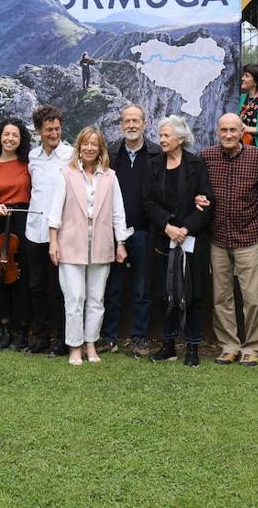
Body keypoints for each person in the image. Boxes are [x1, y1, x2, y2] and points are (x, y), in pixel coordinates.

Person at [48, 126, 131, 365]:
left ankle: (91, 344)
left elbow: (118, 214)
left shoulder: (110, 176)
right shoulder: (67, 173)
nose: (89, 148)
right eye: (85, 143)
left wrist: (121, 243)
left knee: (96, 299)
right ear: (79, 147)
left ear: (100, 148)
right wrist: (53, 242)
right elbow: (55, 211)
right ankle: (74, 346)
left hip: (102, 245)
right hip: (70, 244)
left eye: (94, 144)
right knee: (74, 298)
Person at [144, 115, 213, 366]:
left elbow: (206, 201)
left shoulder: (197, 164)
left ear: (180, 139)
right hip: (163, 240)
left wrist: (185, 228)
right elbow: (148, 201)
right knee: (166, 294)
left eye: (166, 136)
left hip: (192, 239)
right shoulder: (153, 165)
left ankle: (192, 348)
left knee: (192, 294)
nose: (161, 140)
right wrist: (168, 226)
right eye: (160, 135)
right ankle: (169, 345)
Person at [201, 113, 258, 366]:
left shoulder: (257, 157)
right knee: (221, 296)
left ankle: (252, 346)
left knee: (252, 297)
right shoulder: (207, 157)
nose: (228, 135)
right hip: (217, 236)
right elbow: (200, 189)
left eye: (233, 130)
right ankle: (229, 345)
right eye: (224, 130)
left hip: (248, 236)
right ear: (218, 132)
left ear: (242, 132)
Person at [98, 104, 161, 358]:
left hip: (145, 232)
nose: (132, 125)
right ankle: (109, 337)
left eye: (136, 121)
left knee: (142, 289)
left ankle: (139, 338)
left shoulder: (157, 153)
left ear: (145, 124)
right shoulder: (111, 154)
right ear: (121, 125)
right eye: (127, 121)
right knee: (111, 287)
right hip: (113, 233)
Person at [25, 105, 73, 355]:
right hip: (34, 230)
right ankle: (41, 337)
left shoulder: (70, 155)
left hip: (60, 233)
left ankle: (62, 339)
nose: (54, 134)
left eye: (57, 129)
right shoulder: (33, 157)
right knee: (37, 287)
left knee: (59, 289)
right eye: (48, 130)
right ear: (38, 131)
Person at [0, 118, 33, 351]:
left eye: (15, 135)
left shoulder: (28, 164)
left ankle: (21, 330)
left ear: (21, 140)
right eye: (6, 134)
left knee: (21, 276)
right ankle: (2, 327)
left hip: (22, 221)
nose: (10, 138)